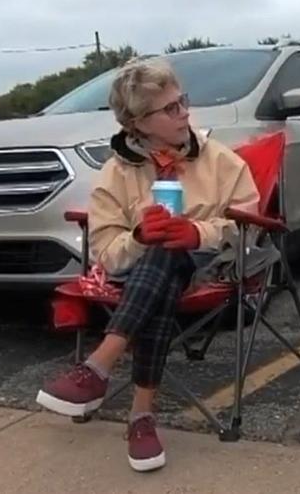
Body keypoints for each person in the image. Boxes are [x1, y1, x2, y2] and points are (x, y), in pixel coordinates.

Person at [35, 58, 260, 473]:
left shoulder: (220, 160)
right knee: (158, 253)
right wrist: (138, 238)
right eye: (171, 109)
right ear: (139, 123)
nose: (185, 113)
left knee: (168, 255)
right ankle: (139, 416)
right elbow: (105, 250)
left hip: (206, 265)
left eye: (183, 102)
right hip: (138, 268)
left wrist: (198, 234)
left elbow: (249, 224)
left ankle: (101, 368)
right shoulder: (116, 173)